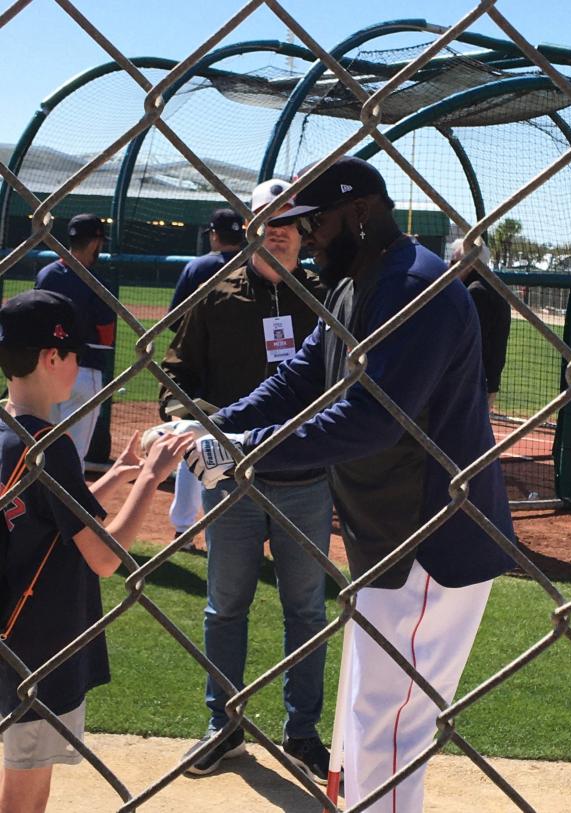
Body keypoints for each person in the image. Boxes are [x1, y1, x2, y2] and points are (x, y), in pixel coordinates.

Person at [166, 157, 516, 811]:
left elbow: (371, 420)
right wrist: (210, 425)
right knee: (367, 723)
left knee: (387, 732)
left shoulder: (413, 287)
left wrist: (241, 451)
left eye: (314, 224)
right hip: (388, 539)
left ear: (360, 213)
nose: (306, 240)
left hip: (431, 545)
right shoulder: (356, 283)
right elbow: (299, 379)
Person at [158, 179, 333, 782]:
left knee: (306, 610)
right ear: (248, 226)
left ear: (303, 229)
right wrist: (192, 425)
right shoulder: (215, 296)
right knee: (225, 607)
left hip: (306, 477)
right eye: (266, 219)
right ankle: (224, 724)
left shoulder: (324, 298)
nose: (277, 230)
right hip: (231, 480)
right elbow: (175, 375)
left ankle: (302, 732)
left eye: (288, 219)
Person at [0, 290, 191, 813]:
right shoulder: (51, 446)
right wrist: (150, 478)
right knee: (25, 794)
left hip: (13, 638)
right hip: (42, 643)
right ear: (51, 357)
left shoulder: (9, 430)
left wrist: (116, 477)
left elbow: (51, 515)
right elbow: (104, 558)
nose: (79, 367)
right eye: (74, 356)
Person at [167, 209, 244, 551]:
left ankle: (183, 529)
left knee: (194, 440)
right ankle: (233, 534)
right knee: (243, 443)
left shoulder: (197, 267)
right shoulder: (255, 263)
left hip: (202, 372)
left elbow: (174, 321)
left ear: (214, 234)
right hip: (247, 373)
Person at [34, 213, 115, 467]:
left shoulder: (46, 275)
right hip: (83, 371)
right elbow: (106, 336)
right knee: (72, 458)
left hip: (46, 371)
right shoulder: (97, 282)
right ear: (95, 243)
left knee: (42, 450)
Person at [450, 238, 511, 411]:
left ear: (470, 264)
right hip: (483, 381)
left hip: (470, 382)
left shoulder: (476, 291)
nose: (449, 267)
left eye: (454, 262)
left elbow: (468, 344)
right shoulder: (493, 285)